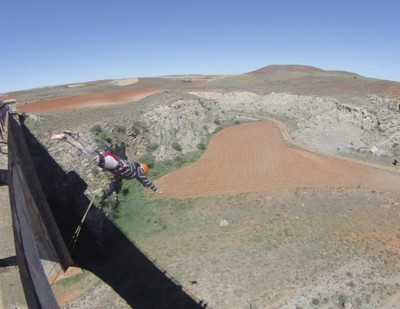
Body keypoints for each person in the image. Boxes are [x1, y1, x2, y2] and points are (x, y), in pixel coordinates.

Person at [51, 131, 161, 194]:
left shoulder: (135, 170)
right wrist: (156, 191)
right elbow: (147, 181)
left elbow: (142, 180)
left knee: (85, 151)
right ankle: (77, 137)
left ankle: (65, 138)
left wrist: (143, 184)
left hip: (113, 160)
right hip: (113, 163)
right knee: (94, 155)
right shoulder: (138, 172)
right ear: (142, 171)